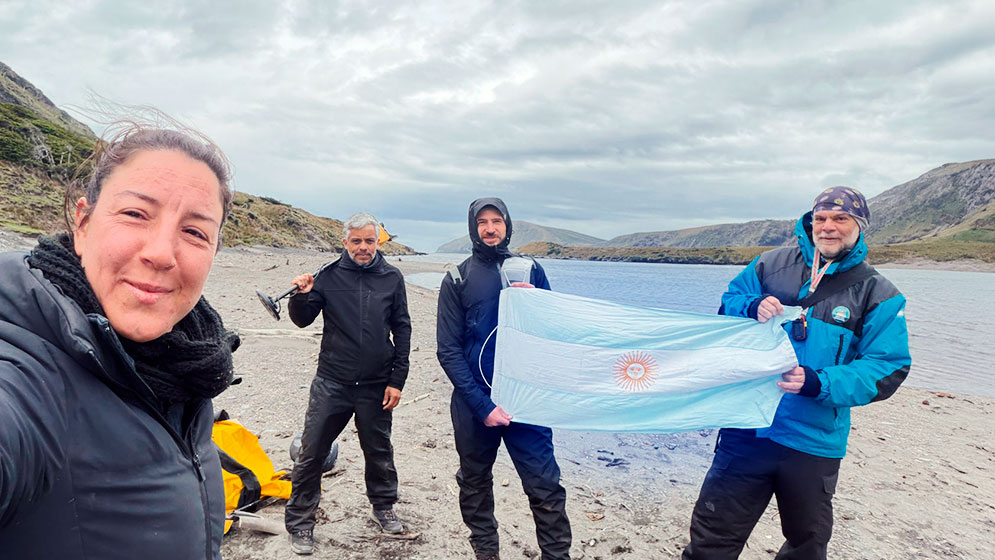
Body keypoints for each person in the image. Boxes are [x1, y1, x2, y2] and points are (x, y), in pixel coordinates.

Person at [0, 121, 240, 559]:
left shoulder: (186, 365)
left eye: (195, 232)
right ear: (83, 222)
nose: (162, 253)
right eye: (135, 214)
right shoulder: (24, 367)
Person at [682, 187, 911, 559]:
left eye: (841, 219)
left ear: (860, 226)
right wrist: (751, 305)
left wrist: (820, 383)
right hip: (748, 427)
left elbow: (887, 367)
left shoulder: (880, 293)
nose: (828, 227)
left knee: (806, 545)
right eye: (821, 218)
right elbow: (728, 305)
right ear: (810, 222)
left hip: (814, 441)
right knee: (712, 540)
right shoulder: (769, 265)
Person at [437, 197, 572, 560]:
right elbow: (447, 350)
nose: (490, 228)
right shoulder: (457, 277)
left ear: (507, 225)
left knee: (545, 485)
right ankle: (486, 553)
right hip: (474, 401)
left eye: (497, 220)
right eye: (482, 222)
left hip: (526, 399)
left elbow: (553, 333)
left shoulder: (531, 268)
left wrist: (539, 305)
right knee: (475, 483)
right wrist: (483, 406)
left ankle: (557, 556)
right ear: (473, 228)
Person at [283, 212, 412, 555]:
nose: (363, 247)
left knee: (379, 451)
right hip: (332, 382)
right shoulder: (328, 275)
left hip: (376, 384)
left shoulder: (391, 277)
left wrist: (397, 380)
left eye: (370, 241)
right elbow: (301, 320)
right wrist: (301, 294)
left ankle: (383, 507)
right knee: (312, 453)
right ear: (345, 242)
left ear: (378, 241)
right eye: (356, 241)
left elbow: (402, 329)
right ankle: (300, 523)